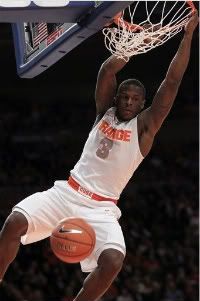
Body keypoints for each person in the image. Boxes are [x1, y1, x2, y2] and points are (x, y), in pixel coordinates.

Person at [0, 10, 198, 301]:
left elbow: (171, 83)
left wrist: (189, 35)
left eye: (135, 99)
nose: (128, 102)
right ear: (116, 97)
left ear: (143, 104)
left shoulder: (145, 128)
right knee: (13, 223)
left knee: (113, 261)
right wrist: (131, 46)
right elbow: (107, 71)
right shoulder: (103, 112)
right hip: (67, 192)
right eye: (124, 96)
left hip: (101, 209)